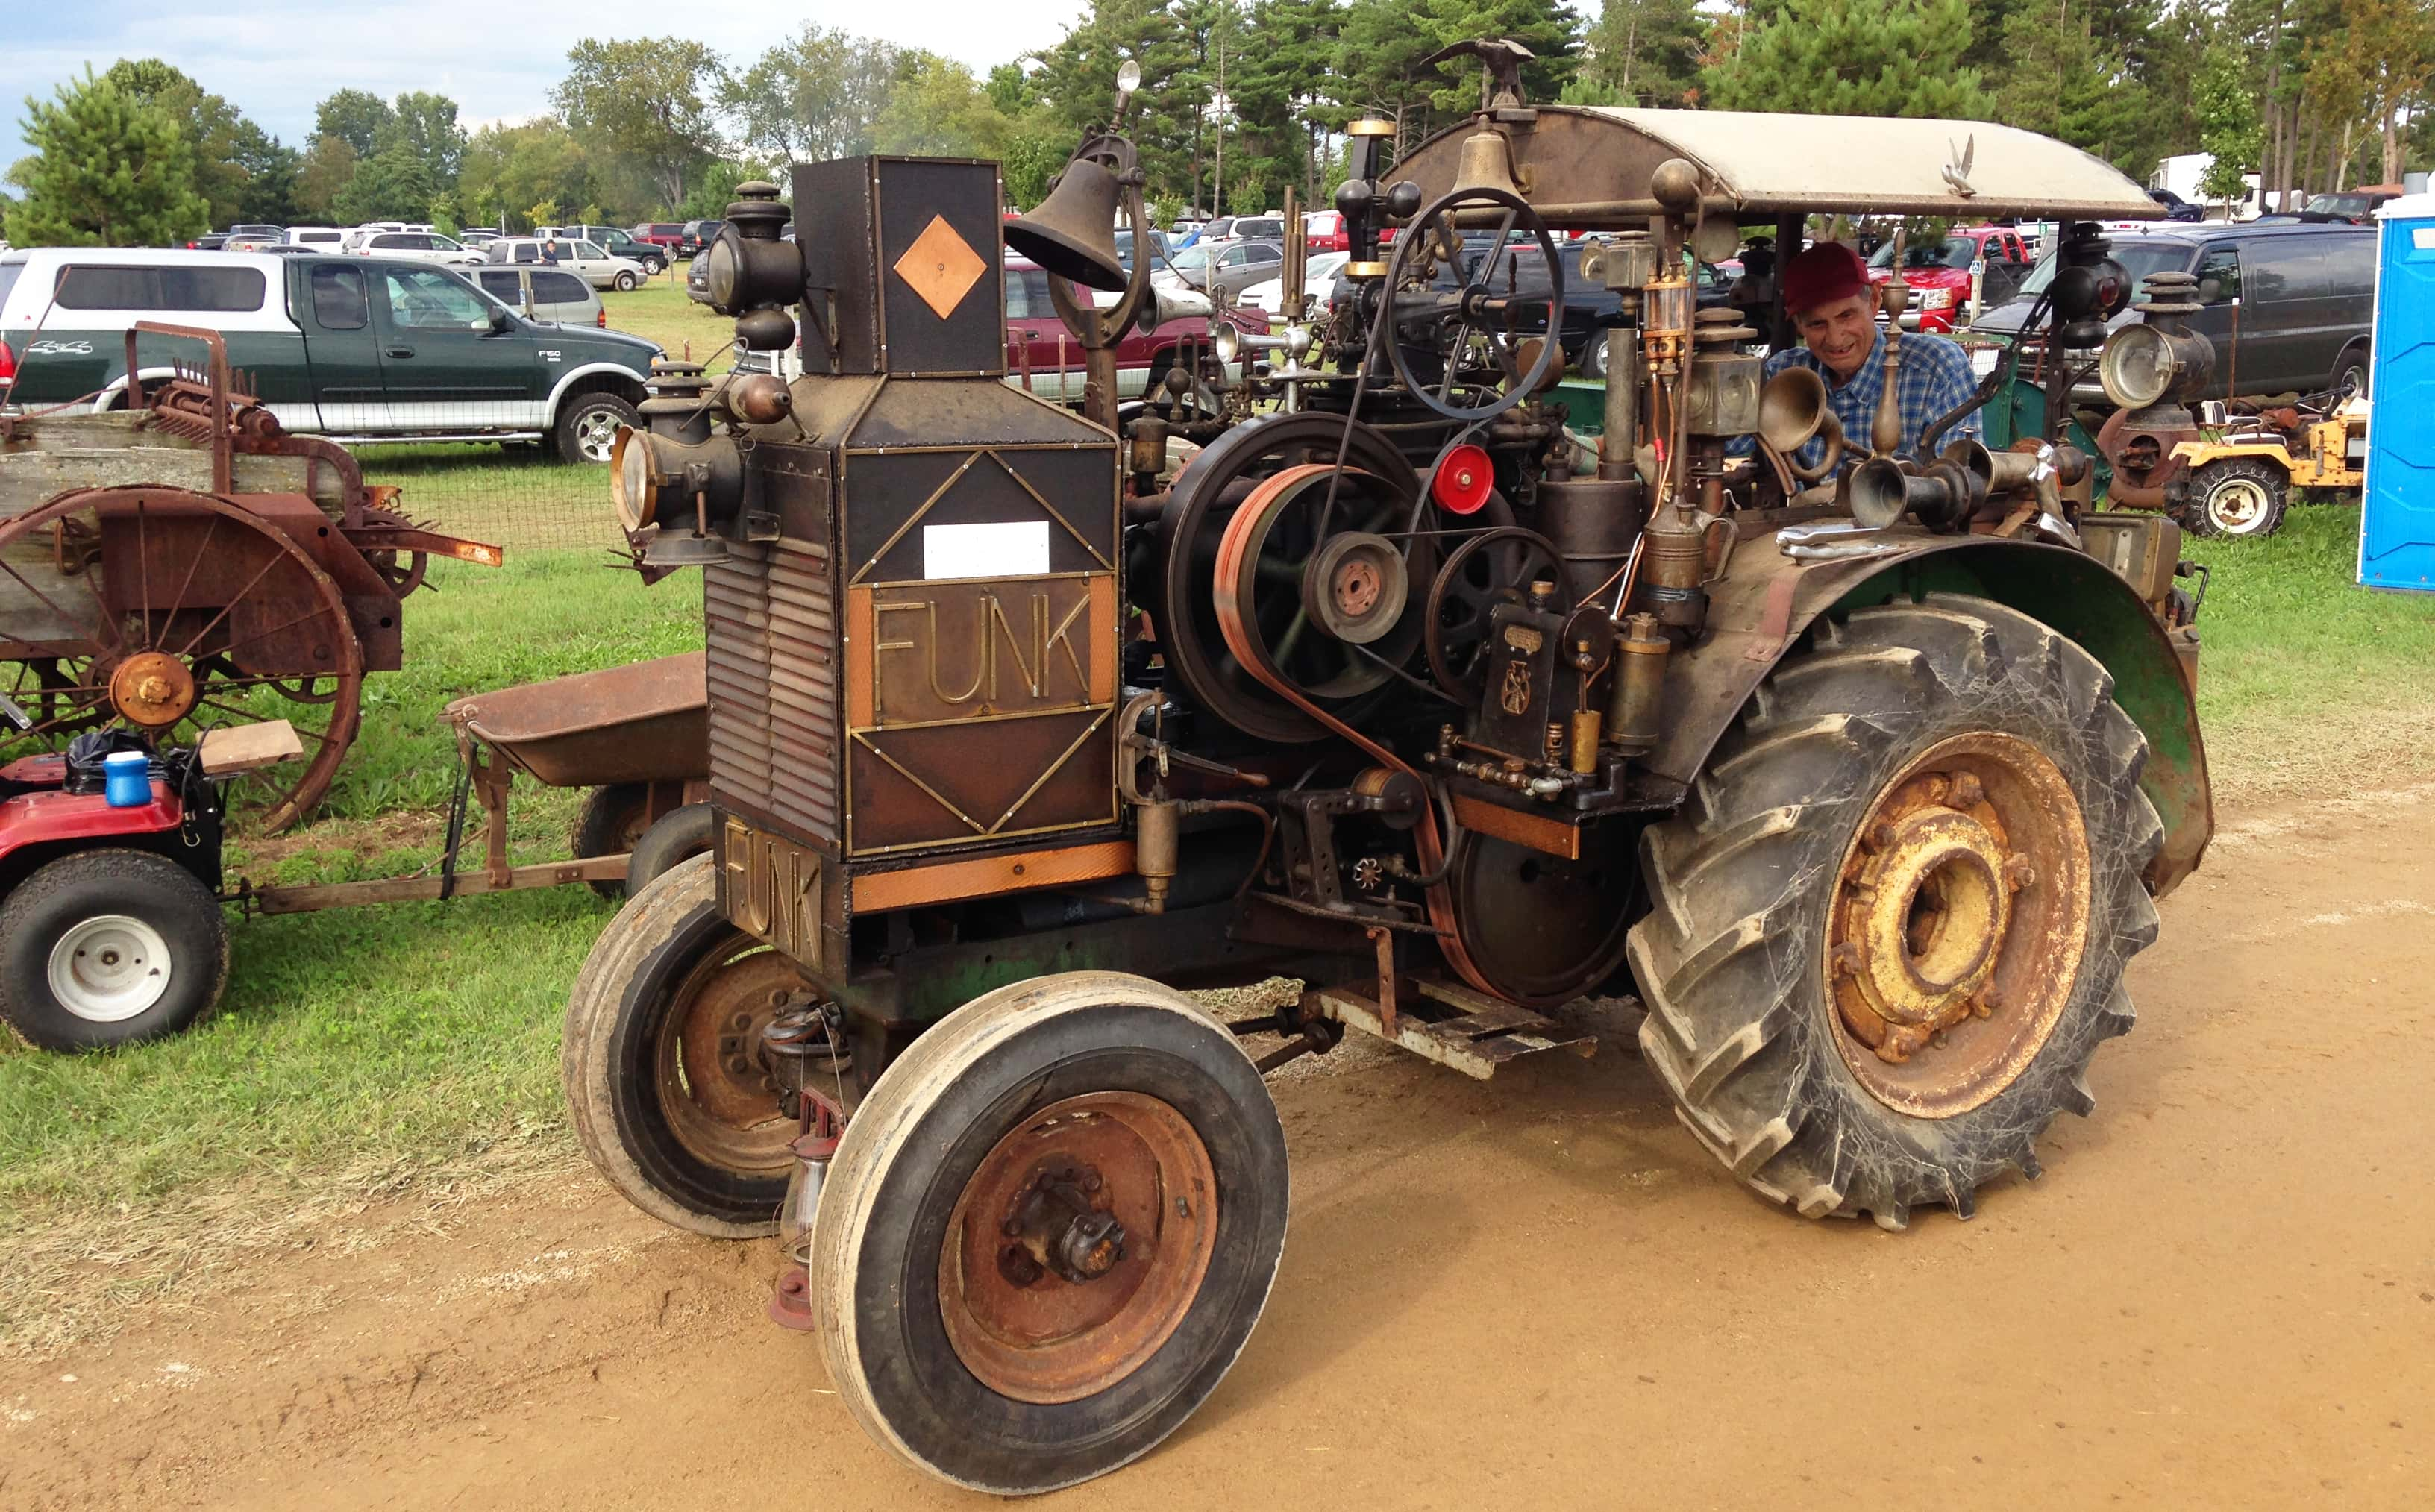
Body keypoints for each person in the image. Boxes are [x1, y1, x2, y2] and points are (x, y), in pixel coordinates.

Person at [1760, 240, 1980, 474]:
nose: (1835, 339)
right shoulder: (1783, 374)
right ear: (1798, 325)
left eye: (1846, 315)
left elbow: (1963, 483)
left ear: (1875, 300)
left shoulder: (1939, 368)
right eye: (1817, 324)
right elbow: (1728, 443)